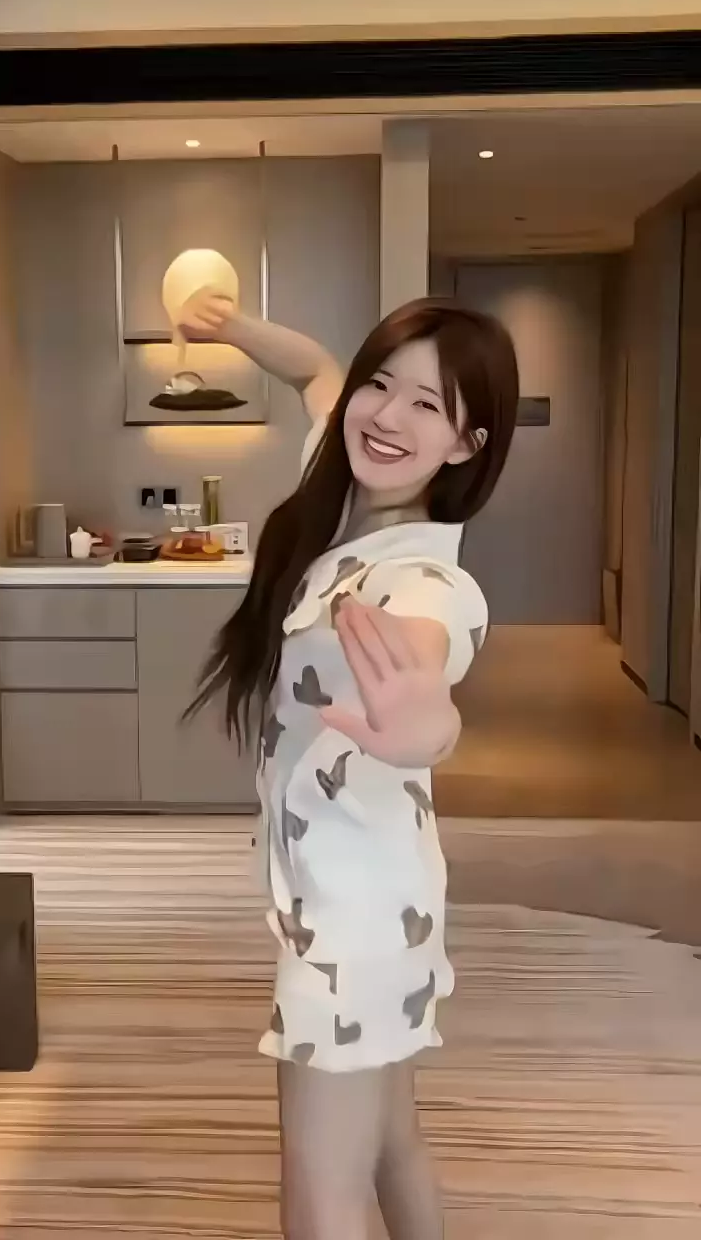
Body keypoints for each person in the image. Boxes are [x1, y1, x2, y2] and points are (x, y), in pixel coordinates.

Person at [184, 292, 519, 1240]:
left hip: (354, 929)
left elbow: (430, 665)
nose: (387, 414)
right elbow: (312, 369)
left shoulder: (426, 578)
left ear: (465, 444)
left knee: (320, 1190)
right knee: (392, 1141)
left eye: (429, 404)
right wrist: (231, 327)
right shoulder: (341, 506)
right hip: (376, 903)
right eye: (383, 384)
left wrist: (428, 730)